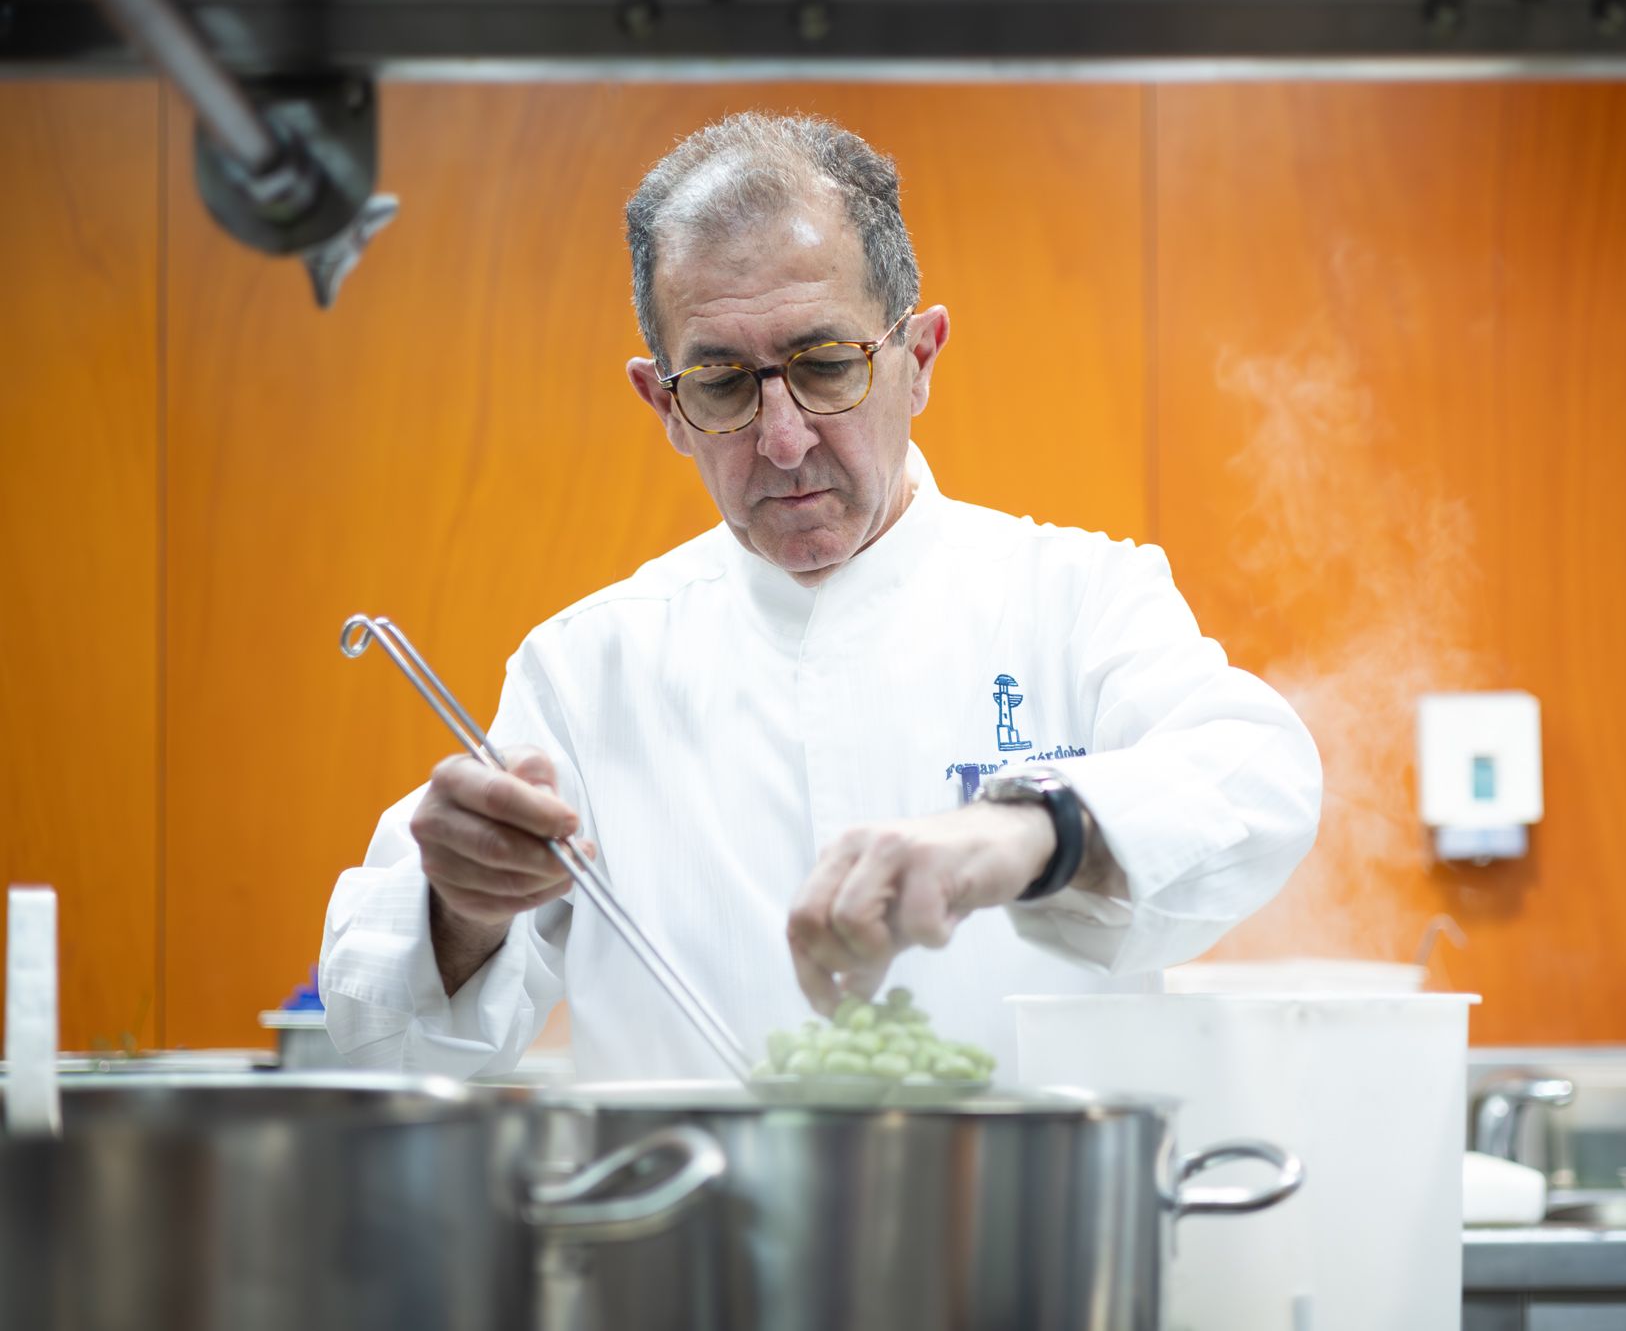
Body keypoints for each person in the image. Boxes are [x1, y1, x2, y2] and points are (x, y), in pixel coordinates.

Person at [320, 111, 1321, 1080]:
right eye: (720, 384)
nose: (784, 441)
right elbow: (391, 1039)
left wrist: (1029, 830)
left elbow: (1258, 780)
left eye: (826, 364)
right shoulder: (586, 672)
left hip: (1022, 1238)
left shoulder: (1075, 597)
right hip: (694, 1237)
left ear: (916, 358)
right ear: (663, 405)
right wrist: (461, 910)